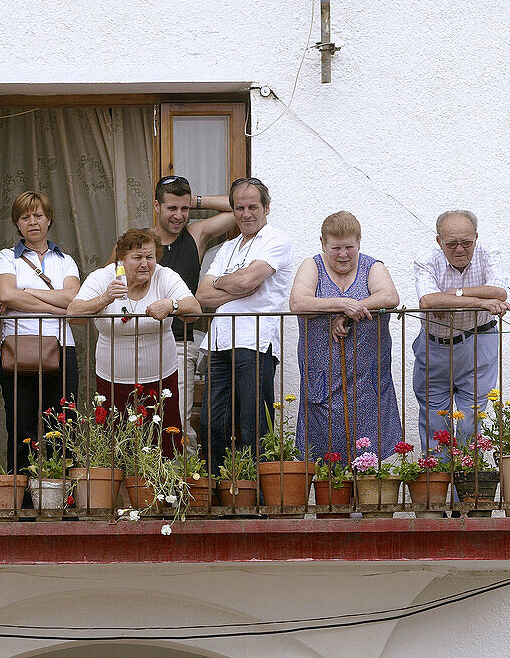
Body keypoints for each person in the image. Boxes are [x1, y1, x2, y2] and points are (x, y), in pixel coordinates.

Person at [68, 228, 200, 456]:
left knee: (163, 447)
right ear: (122, 259)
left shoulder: (164, 275)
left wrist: (172, 305)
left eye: (150, 257)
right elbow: (73, 314)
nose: (145, 264)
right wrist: (105, 298)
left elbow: (195, 309)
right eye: (137, 257)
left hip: (161, 381)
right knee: (115, 449)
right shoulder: (103, 277)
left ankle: (161, 492)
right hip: (112, 382)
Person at [195, 178, 295, 476]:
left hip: (255, 341)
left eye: (253, 206)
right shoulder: (226, 248)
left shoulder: (277, 240)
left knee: (254, 425)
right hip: (219, 342)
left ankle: (257, 501)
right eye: (240, 207)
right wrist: (237, 284)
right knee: (212, 423)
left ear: (266, 207)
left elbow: (248, 281)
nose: (246, 213)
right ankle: (220, 489)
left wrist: (230, 282)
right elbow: (202, 295)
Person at [289, 211, 401, 462]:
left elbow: (389, 296)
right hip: (322, 383)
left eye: (349, 247)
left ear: (359, 242)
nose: (343, 254)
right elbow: (298, 302)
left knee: (370, 454)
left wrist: (348, 314)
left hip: (367, 382)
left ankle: (367, 501)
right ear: (323, 243)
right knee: (322, 455)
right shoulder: (312, 265)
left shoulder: (373, 266)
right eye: (336, 247)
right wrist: (342, 304)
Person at [0, 190, 80, 474]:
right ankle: (22, 501)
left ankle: (61, 498)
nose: (33, 222)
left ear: (49, 219)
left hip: (62, 347)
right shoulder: (6, 257)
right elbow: (6, 293)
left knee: (63, 426)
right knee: (21, 428)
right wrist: (56, 305)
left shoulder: (66, 260)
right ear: (17, 223)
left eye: (38, 215)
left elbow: (73, 300)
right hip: (18, 348)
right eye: (25, 217)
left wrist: (25, 292)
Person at [413, 210, 510, 455]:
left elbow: (499, 293)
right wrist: (480, 301)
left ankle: (467, 492)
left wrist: (452, 297)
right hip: (433, 347)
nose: (460, 249)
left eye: (466, 242)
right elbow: (427, 301)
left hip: (478, 342)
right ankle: (434, 491)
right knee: (435, 425)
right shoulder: (426, 259)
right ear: (439, 242)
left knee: (470, 421)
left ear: (476, 238)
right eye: (452, 243)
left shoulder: (488, 253)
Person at [150, 175, 236, 453]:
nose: (179, 216)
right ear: (156, 206)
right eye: (172, 208)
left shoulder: (195, 235)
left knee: (180, 422)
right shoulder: (139, 243)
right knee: (141, 422)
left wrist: (196, 201)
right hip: (141, 342)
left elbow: (237, 208)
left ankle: (185, 488)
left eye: (184, 209)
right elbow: (109, 283)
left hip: (179, 343)